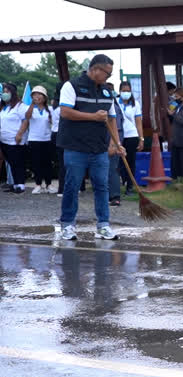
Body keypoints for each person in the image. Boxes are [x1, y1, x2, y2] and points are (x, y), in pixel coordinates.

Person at [57, 54, 126, 241]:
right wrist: (93, 117)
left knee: (101, 186)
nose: (108, 78)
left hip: (99, 148)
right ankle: (67, 225)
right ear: (95, 69)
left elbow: (112, 118)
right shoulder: (71, 86)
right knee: (72, 186)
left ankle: (103, 225)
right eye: (107, 73)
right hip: (75, 147)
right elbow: (65, 112)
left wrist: (116, 143)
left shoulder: (106, 91)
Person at [25, 85, 55, 194]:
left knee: (47, 163)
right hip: (34, 139)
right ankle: (38, 184)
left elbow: (53, 123)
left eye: (39, 94)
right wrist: (33, 104)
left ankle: (49, 184)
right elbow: (27, 117)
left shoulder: (50, 109)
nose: (37, 96)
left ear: (44, 97)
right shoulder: (31, 109)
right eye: (34, 95)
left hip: (47, 139)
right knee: (36, 162)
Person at [0, 83, 28, 194]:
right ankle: (14, 184)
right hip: (4, 140)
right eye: (4, 92)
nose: (5, 94)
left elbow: (26, 121)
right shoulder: (4, 107)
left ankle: (20, 185)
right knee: (11, 163)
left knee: (18, 163)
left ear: (13, 93)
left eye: (7, 92)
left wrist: (19, 134)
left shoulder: (20, 106)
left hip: (15, 141)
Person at [118, 81, 144, 195]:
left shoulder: (135, 104)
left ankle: (130, 186)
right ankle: (121, 181)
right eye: (124, 91)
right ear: (120, 91)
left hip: (132, 135)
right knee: (119, 162)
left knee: (131, 161)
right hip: (118, 135)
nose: (126, 93)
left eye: (128, 91)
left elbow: (138, 122)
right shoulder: (115, 102)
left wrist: (141, 138)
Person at [105, 82, 125, 206]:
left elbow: (116, 128)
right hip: (102, 142)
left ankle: (114, 196)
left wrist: (114, 145)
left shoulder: (114, 108)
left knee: (112, 169)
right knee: (106, 170)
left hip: (113, 142)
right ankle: (107, 195)